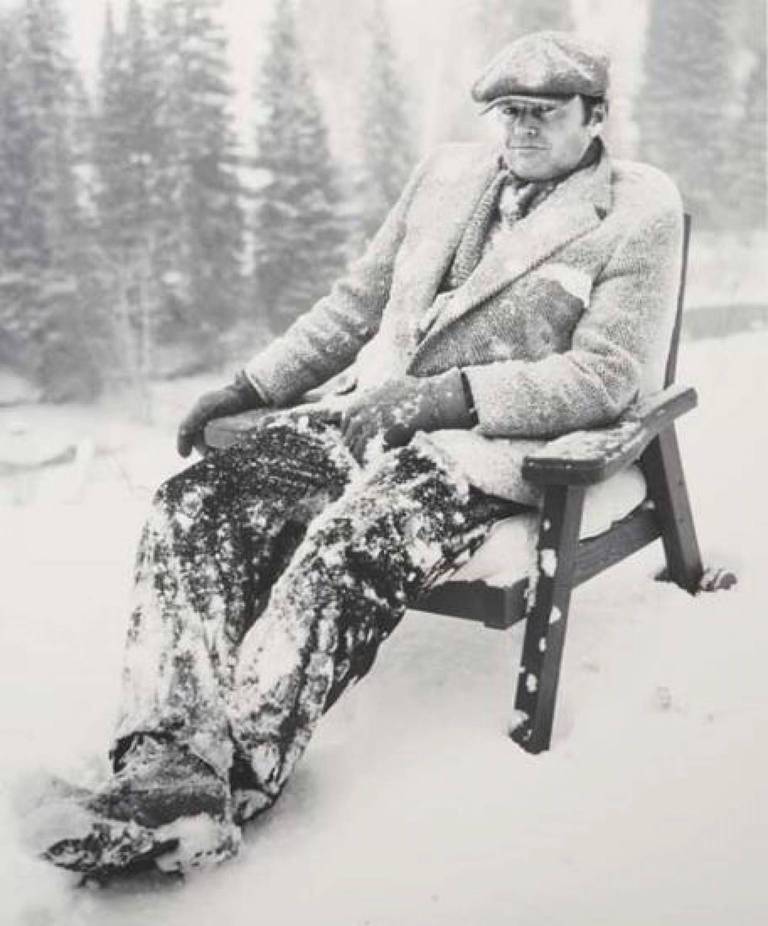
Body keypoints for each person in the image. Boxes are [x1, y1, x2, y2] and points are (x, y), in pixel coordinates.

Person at [37, 31, 683, 876]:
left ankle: (233, 775)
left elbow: (606, 377)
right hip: (359, 421)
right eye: (510, 114)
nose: (522, 130)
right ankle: (166, 756)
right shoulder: (446, 177)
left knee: (347, 550)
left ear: (595, 116)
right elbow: (355, 304)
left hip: (475, 450)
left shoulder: (637, 212)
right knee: (194, 505)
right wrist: (252, 386)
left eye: (545, 114)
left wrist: (451, 398)